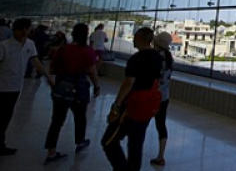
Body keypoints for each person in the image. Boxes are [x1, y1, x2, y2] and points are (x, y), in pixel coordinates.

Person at [102, 28, 163, 171]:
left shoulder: (136, 58)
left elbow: (129, 83)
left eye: (135, 37)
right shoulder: (158, 58)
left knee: (109, 141)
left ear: (141, 38)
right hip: (147, 104)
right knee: (136, 143)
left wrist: (116, 105)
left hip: (130, 106)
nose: (133, 40)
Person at [43, 23, 101, 164]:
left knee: (57, 120)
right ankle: (80, 142)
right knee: (80, 117)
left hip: (62, 88)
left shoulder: (63, 49)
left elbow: (53, 69)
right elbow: (92, 70)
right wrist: (97, 86)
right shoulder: (88, 51)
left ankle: (51, 151)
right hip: (80, 89)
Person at [0, 18, 52, 155]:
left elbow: (35, 60)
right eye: (21, 29)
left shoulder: (30, 44)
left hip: (16, 87)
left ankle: (1, 144)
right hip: (2, 87)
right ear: (14, 30)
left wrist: (47, 76)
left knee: (6, 116)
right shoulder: (4, 46)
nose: (24, 32)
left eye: (27, 29)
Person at [149, 31, 173, 166]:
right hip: (164, 97)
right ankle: (161, 156)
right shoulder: (169, 59)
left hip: (151, 97)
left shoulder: (156, 59)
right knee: (161, 125)